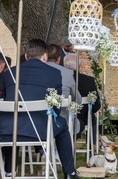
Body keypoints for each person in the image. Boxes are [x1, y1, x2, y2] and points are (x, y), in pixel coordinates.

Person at [0, 39, 79, 179]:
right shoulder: (54, 74)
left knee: (13, 122)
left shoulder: (8, 74)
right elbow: (57, 108)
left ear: (26, 56)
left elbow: (6, 101)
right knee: (62, 124)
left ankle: (8, 170)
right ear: (45, 56)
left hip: (7, 131)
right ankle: (70, 172)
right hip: (41, 130)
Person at [63, 53, 101, 141]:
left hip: (63, 115)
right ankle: (91, 146)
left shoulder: (60, 78)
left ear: (64, 65)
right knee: (92, 117)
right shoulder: (89, 80)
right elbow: (96, 105)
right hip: (83, 117)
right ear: (79, 65)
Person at [47, 44, 82, 125]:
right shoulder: (68, 73)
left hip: (36, 120)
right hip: (62, 120)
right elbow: (77, 99)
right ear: (59, 59)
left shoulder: (33, 72)